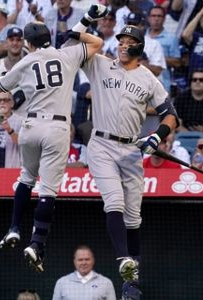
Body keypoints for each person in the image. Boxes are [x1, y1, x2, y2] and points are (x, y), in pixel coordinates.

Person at [0, 10, 104, 272]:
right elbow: (96, 44)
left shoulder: (25, 61)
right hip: (57, 127)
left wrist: (3, 80)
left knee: (26, 178)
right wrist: (77, 32)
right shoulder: (67, 54)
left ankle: (14, 228)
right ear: (48, 37)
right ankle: (36, 243)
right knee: (48, 190)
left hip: (30, 126)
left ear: (28, 43)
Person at [72, 19, 179, 297]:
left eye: (129, 43)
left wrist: (157, 136)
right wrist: (88, 20)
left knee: (133, 219)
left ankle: (131, 284)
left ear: (139, 48)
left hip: (132, 149)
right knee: (114, 202)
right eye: (120, 41)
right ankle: (125, 262)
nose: (122, 46)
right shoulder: (100, 64)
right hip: (101, 144)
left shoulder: (148, 79)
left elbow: (170, 114)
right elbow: (73, 39)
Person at [52, 245, 116, 300]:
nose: (84, 263)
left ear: (93, 260)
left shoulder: (106, 283)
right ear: (74, 261)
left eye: (87, 259)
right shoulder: (62, 283)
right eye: (80, 260)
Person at [147, 5, 182, 92]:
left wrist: (157, 58)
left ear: (164, 19)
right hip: (142, 84)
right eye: (153, 16)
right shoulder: (142, 37)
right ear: (148, 18)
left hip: (163, 84)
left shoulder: (171, 38)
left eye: (159, 16)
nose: (156, 19)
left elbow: (177, 63)